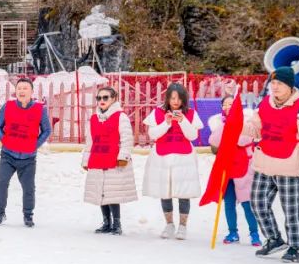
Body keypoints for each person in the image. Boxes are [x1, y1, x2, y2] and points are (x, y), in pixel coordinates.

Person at [246, 66, 299, 262]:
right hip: (264, 163)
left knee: (292, 210)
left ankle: (295, 246)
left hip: (289, 166)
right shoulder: (265, 105)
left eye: (280, 83)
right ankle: (274, 239)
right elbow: (256, 130)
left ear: (290, 86)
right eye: (273, 83)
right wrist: (241, 125)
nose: (275, 87)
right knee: (258, 203)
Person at [142, 83, 203, 240]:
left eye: (179, 98)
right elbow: (153, 134)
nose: (176, 101)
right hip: (162, 156)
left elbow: (193, 136)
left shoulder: (190, 113)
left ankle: (183, 226)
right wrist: (166, 123)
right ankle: (169, 224)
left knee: (184, 192)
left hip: (184, 157)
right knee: (165, 191)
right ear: (167, 97)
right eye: (173, 98)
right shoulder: (157, 112)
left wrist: (183, 121)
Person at [0, 77, 51, 227]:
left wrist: (35, 145)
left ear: (31, 92)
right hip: (8, 155)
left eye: (25, 88)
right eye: (19, 88)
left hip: (28, 158)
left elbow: (47, 130)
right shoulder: (8, 106)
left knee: (29, 188)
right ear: (15, 91)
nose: (22, 91)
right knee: (2, 183)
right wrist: (4, 140)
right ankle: (0, 212)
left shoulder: (40, 109)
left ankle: (28, 215)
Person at [81, 86, 137, 235]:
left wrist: (123, 156)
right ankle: (106, 222)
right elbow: (90, 141)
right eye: (99, 98)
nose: (102, 101)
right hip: (98, 158)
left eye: (105, 97)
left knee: (112, 193)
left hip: (113, 160)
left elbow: (126, 138)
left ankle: (116, 223)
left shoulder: (120, 117)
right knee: (100, 192)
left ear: (114, 99)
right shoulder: (94, 118)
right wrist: (86, 160)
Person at [208, 94, 260, 246]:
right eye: (225, 104)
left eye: (231, 104)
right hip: (227, 169)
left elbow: (244, 140)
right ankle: (233, 232)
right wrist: (226, 126)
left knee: (247, 203)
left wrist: (233, 128)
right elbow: (214, 141)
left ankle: (254, 233)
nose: (228, 107)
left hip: (243, 168)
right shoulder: (219, 123)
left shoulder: (246, 122)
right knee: (229, 203)